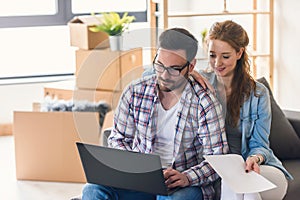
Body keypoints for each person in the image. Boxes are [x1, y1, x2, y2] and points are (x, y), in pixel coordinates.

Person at [81, 28, 229, 200]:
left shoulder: (205, 103)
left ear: (191, 66)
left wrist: (187, 177)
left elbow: (218, 159)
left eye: (174, 69)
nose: (164, 75)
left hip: (181, 185)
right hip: (138, 182)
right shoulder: (135, 92)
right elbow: (118, 138)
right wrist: (131, 167)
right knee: (92, 189)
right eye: (159, 65)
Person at [190, 20, 293, 200]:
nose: (217, 63)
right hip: (215, 171)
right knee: (241, 188)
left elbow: (260, 144)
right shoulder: (199, 84)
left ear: (239, 53)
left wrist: (255, 159)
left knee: (244, 183)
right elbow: (151, 74)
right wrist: (188, 71)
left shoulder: (258, 93)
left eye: (225, 56)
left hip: (254, 168)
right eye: (212, 55)